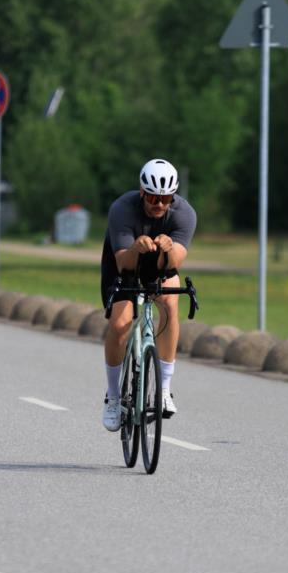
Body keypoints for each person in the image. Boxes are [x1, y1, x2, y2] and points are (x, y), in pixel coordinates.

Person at [101, 158, 197, 432]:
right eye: (153, 197)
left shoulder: (184, 214)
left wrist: (168, 249)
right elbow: (123, 263)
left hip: (160, 266)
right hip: (123, 266)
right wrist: (135, 248)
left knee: (170, 304)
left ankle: (164, 389)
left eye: (165, 198)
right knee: (120, 324)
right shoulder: (122, 209)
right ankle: (113, 397)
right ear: (142, 192)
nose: (159, 204)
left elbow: (174, 263)